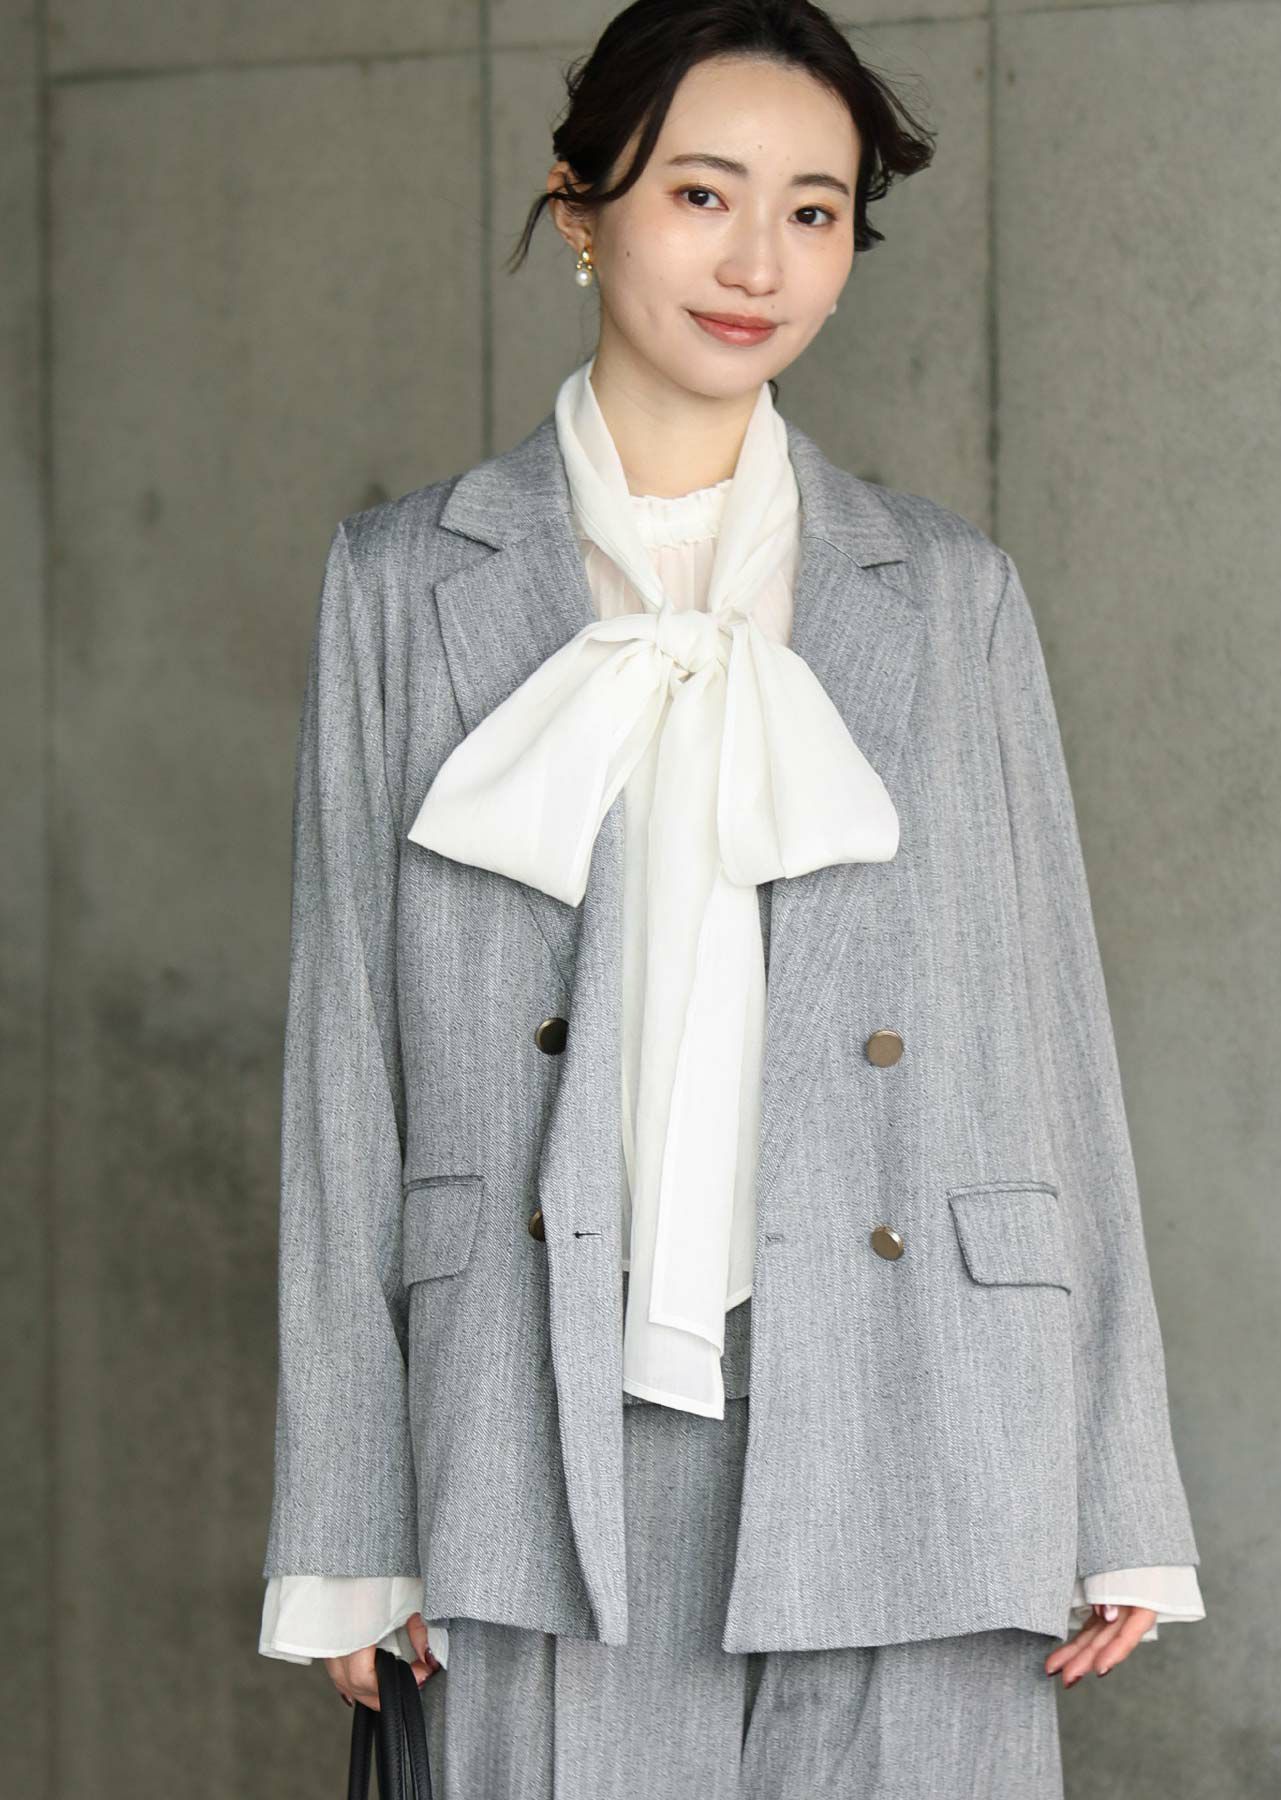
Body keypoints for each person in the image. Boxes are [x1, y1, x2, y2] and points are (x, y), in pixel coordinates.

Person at [257, 2, 1205, 1792]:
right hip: (522, 1418)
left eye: (815, 211)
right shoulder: (403, 581)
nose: (760, 260)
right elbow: (344, 1069)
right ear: (580, 203)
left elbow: (1048, 1039)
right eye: (703, 193)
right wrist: (344, 1521)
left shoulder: (949, 591)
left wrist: (1118, 1486)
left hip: (924, 1398)